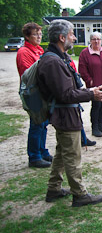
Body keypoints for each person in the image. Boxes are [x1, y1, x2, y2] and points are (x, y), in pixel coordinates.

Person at [37, 19, 102, 207]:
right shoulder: (53, 61)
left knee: (62, 153)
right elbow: (65, 94)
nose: (74, 37)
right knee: (73, 156)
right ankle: (80, 194)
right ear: (62, 38)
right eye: (71, 34)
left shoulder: (58, 57)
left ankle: (53, 189)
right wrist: (91, 93)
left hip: (66, 115)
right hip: (65, 116)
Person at [16, 22, 53, 168]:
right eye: (35, 34)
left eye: (40, 34)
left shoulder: (38, 50)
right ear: (27, 36)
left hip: (41, 91)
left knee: (43, 123)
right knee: (36, 124)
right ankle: (34, 156)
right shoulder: (24, 52)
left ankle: (42, 151)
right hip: (33, 93)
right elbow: (29, 73)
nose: (38, 37)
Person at [79, 32, 102, 137]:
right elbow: (82, 69)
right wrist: (89, 81)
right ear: (90, 40)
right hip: (95, 86)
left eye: (98, 39)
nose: (96, 41)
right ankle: (95, 127)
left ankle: (101, 125)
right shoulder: (85, 53)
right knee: (96, 106)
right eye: (94, 39)